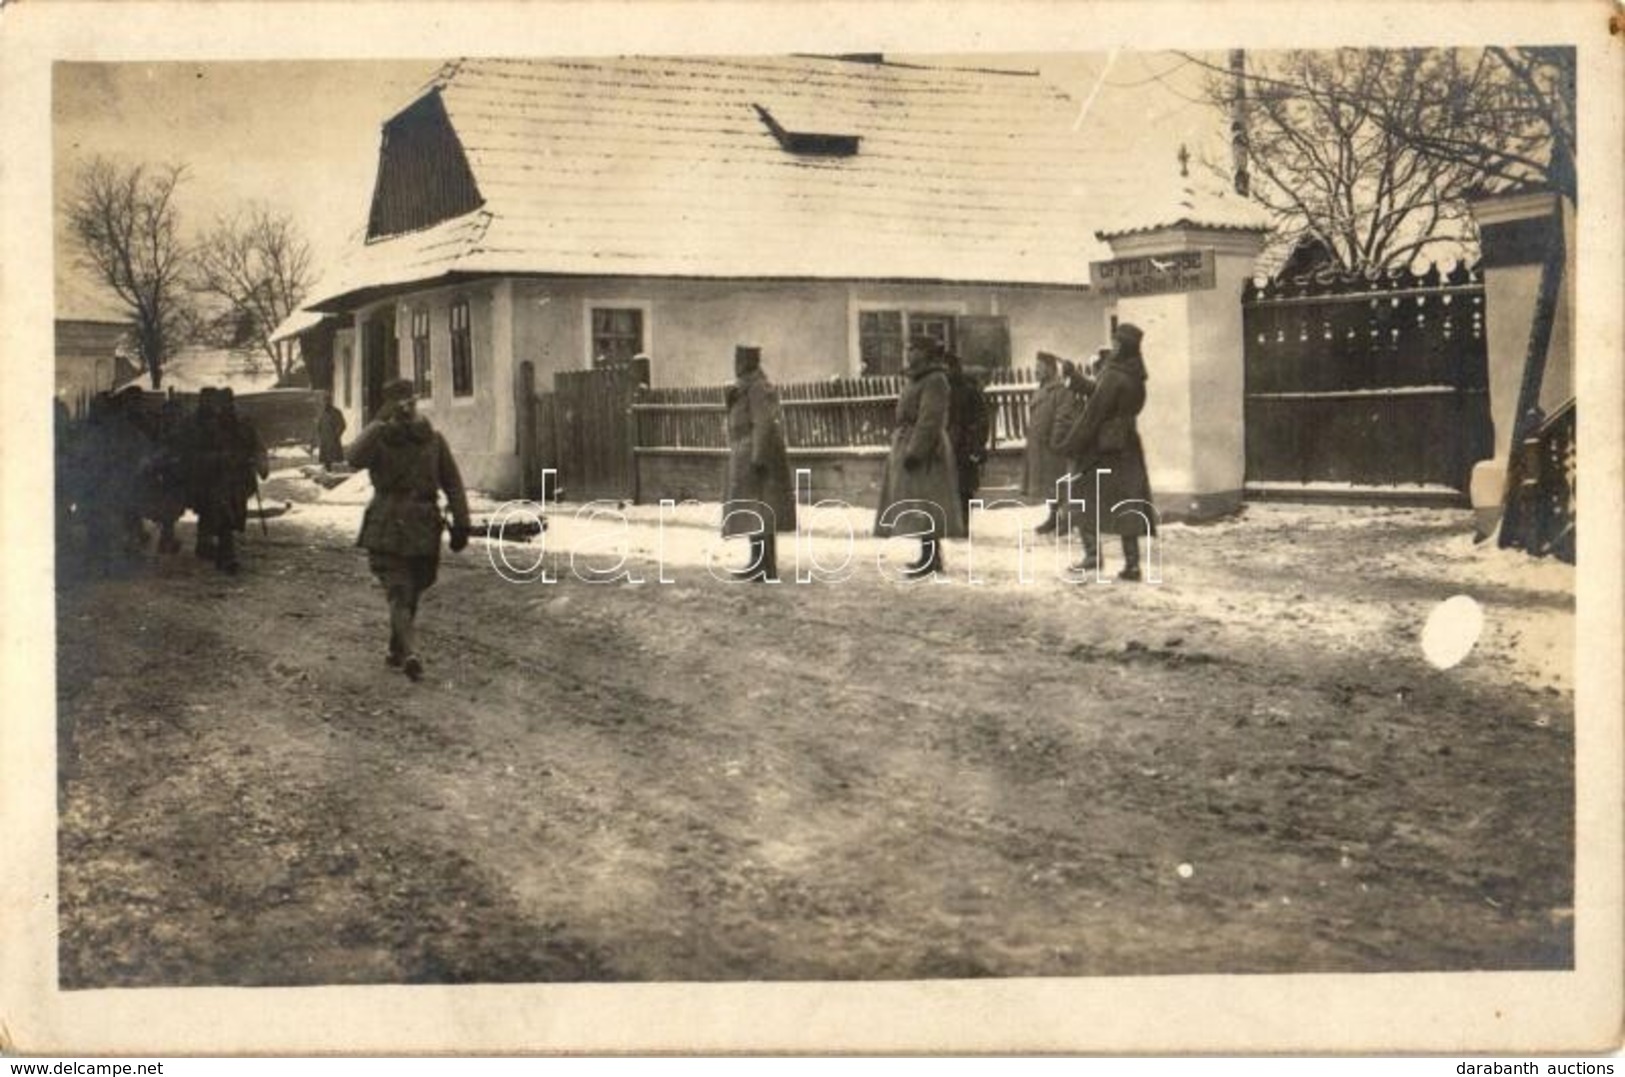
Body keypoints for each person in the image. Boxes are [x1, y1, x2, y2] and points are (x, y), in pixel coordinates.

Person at [347, 377, 471, 681]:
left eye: (411, 403)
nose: (408, 410)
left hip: (423, 525)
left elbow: (452, 483)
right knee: (400, 589)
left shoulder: (433, 440)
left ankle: (396, 646)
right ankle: (411, 654)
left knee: (415, 587)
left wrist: (461, 524)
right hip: (388, 523)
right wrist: (378, 423)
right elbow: (352, 458)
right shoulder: (379, 439)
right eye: (400, 405)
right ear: (390, 408)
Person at [1057, 322, 1156, 581]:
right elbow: (1102, 395)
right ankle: (1132, 565)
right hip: (1128, 446)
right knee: (1127, 504)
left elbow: (1095, 412)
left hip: (1103, 447)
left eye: (1115, 343)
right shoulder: (1134, 374)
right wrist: (1076, 379)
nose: (1111, 348)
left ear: (1122, 346)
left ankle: (1092, 556)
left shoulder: (1113, 374)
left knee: (1081, 494)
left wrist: (1071, 444)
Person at [873, 337, 964, 577]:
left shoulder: (935, 380)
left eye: (913, 349)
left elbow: (930, 419)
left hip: (927, 450)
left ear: (925, 353)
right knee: (918, 504)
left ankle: (932, 559)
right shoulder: (916, 378)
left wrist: (916, 451)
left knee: (927, 504)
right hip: (909, 442)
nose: (908, 353)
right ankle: (927, 556)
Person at [721, 345, 796, 581]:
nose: (736, 365)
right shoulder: (745, 388)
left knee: (762, 513)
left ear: (749, 363)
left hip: (756, 458)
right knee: (753, 513)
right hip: (745, 455)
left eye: (740, 360)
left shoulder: (757, 388)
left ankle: (766, 566)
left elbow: (764, 423)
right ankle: (757, 562)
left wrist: (758, 457)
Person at [1025, 351, 1072, 534]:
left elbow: (1064, 417)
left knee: (1060, 484)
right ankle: (1053, 517)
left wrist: (1055, 439)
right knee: (1049, 485)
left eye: (1040, 368)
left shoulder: (1061, 390)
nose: (1036, 371)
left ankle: (1067, 520)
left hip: (1054, 446)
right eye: (1036, 367)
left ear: (1051, 369)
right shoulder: (1041, 390)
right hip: (1040, 445)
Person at [947, 353, 992, 530]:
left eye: (951, 367)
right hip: (946, 445)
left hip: (964, 446)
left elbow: (982, 420)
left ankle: (963, 525)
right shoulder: (939, 390)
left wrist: (976, 445)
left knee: (964, 488)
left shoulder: (970, 391)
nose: (948, 372)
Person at [311, 391, 348, 470]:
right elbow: (319, 426)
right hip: (325, 440)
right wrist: (319, 436)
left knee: (335, 460)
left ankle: (334, 473)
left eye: (328, 400)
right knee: (326, 460)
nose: (326, 402)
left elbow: (342, 425)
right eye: (324, 400)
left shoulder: (336, 412)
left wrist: (336, 435)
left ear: (331, 401)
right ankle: (327, 471)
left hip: (333, 440)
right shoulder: (322, 413)